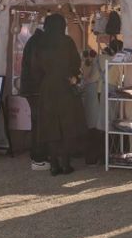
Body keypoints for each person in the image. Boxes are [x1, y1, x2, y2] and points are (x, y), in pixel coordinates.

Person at [34, 14, 86, 176]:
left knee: (50, 125)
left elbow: (35, 67)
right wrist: (74, 76)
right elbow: (76, 63)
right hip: (65, 85)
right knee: (66, 125)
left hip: (47, 87)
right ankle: (65, 164)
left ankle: (54, 165)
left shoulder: (40, 43)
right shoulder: (67, 41)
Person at [20, 26, 48, 170]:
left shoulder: (32, 41)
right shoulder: (40, 42)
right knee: (40, 123)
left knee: (36, 122)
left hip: (30, 89)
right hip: (37, 89)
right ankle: (39, 157)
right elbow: (38, 67)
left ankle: (36, 154)